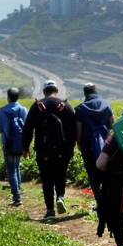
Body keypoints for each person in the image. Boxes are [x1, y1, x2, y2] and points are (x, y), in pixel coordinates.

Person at [21, 80, 77, 219]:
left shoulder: (37, 106)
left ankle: (50, 210)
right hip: (62, 151)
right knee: (60, 176)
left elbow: (27, 128)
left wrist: (25, 147)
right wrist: (71, 148)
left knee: (47, 180)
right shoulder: (65, 106)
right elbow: (73, 130)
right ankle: (61, 197)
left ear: (44, 92)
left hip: (43, 150)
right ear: (56, 91)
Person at [75, 84, 115, 232]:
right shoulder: (106, 105)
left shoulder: (80, 109)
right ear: (96, 91)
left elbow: (79, 131)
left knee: (94, 177)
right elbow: (113, 125)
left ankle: (101, 204)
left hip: (89, 148)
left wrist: (80, 145)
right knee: (109, 174)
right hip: (107, 148)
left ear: (85, 93)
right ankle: (111, 202)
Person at [0, 87, 28, 206]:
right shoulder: (23, 110)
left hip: (8, 144)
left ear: (8, 97)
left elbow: (0, 128)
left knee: (11, 170)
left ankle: (17, 197)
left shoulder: (3, 111)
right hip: (20, 143)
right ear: (18, 97)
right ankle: (19, 189)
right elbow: (27, 127)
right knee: (17, 166)